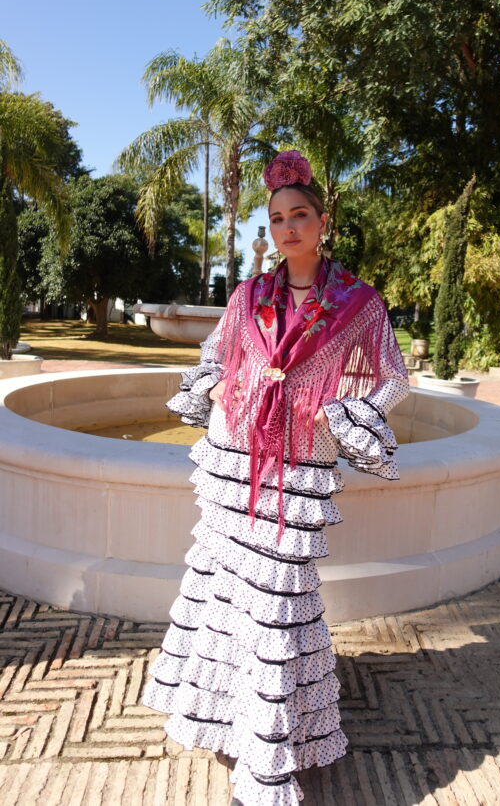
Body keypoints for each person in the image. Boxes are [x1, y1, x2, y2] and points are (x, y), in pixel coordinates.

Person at [142, 150, 410, 805]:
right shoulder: (249, 294)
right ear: (270, 230)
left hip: (300, 464)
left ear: (323, 222)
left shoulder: (358, 302)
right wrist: (218, 381)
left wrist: (356, 411)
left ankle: (268, 762)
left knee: (283, 601)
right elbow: (216, 352)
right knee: (232, 592)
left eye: (300, 215)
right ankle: (233, 721)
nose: (289, 227)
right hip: (234, 458)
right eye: (278, 219)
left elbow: (395, 379)